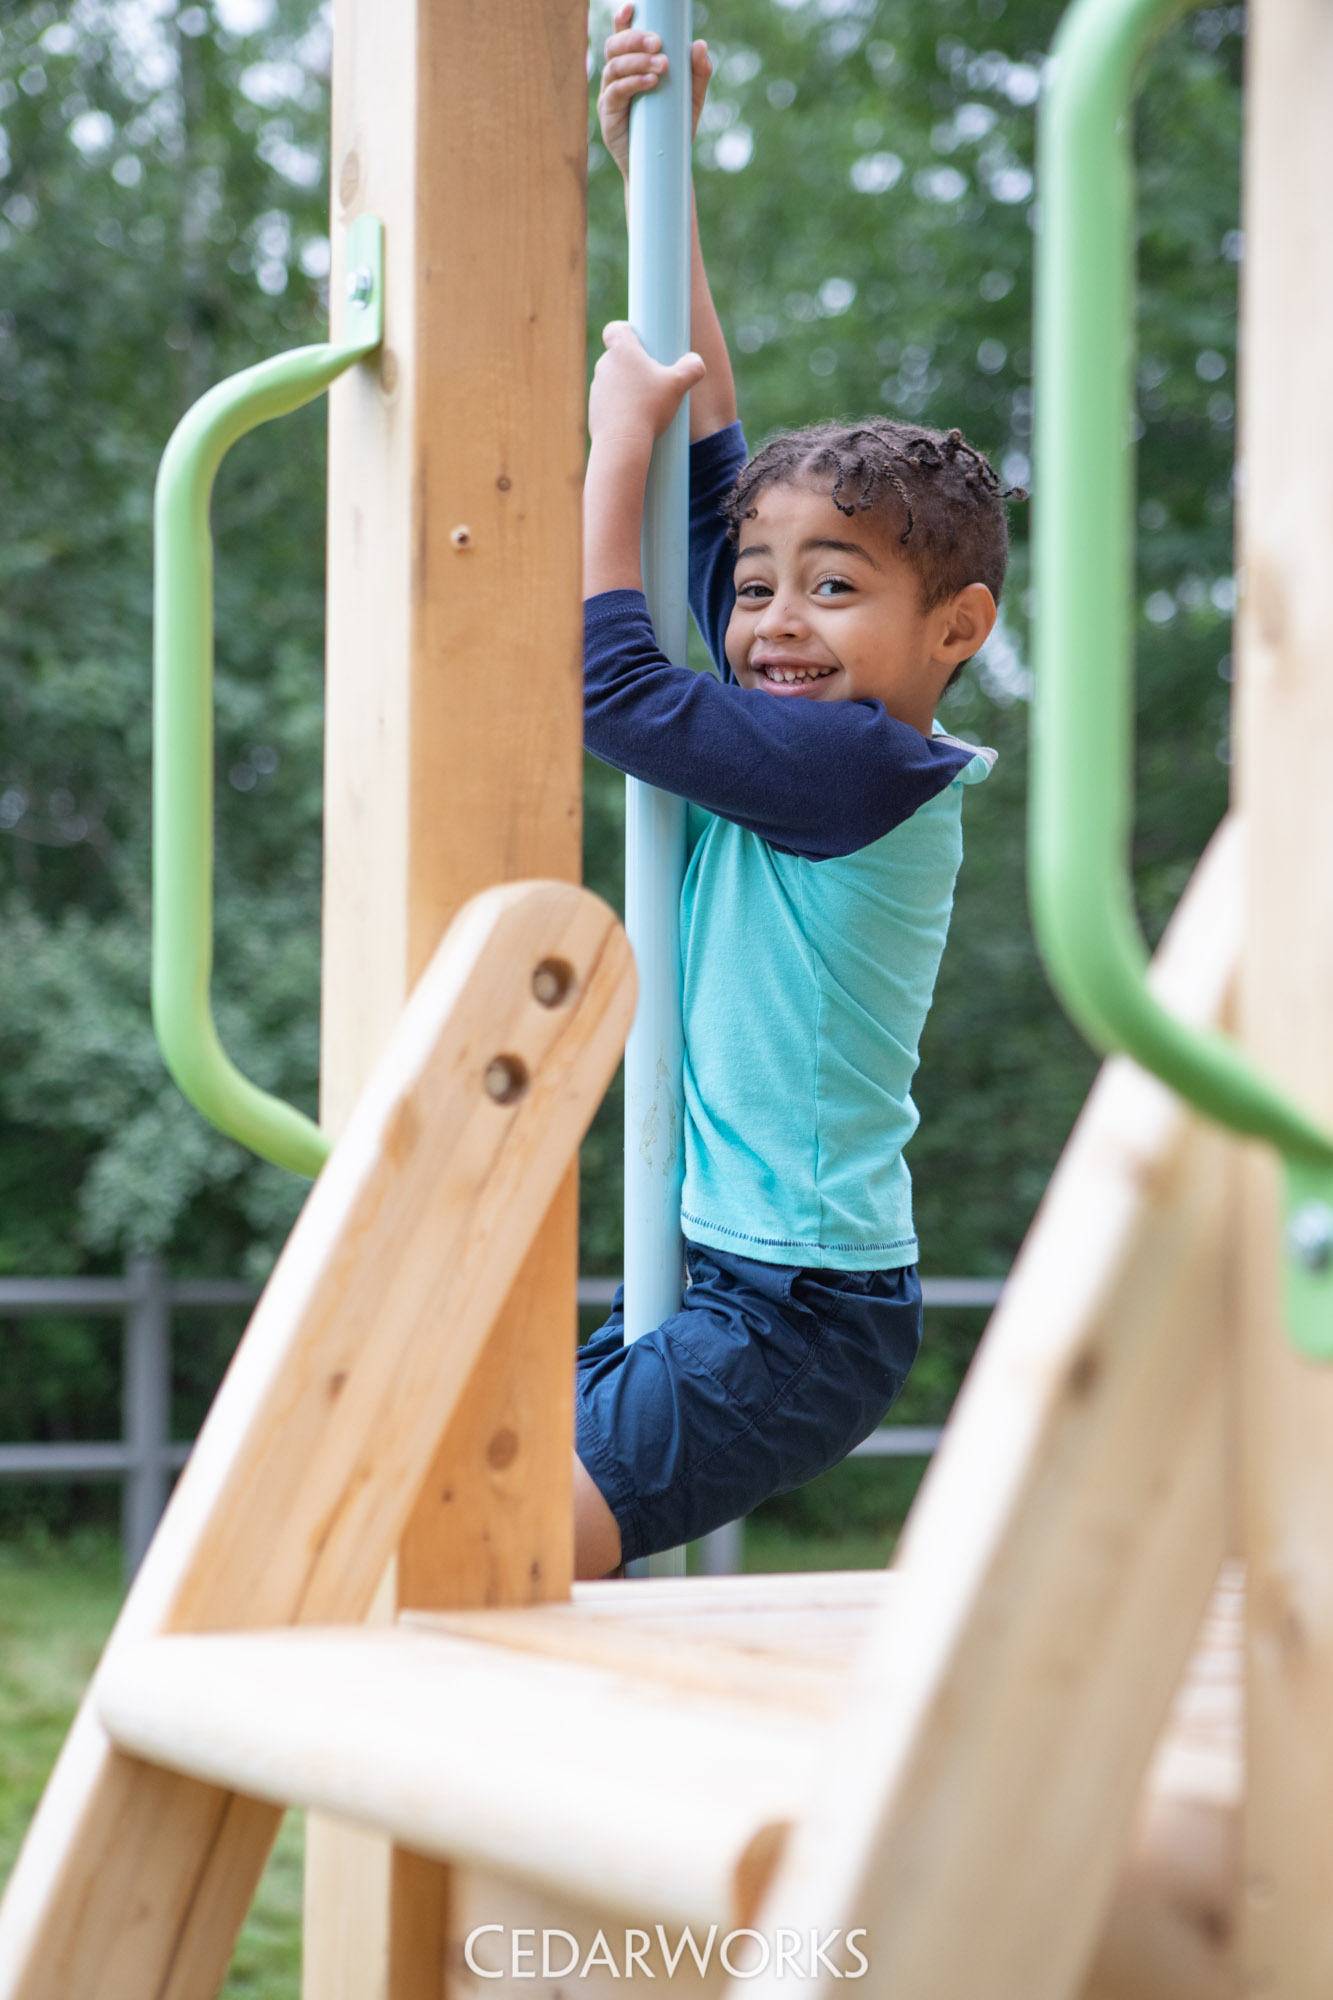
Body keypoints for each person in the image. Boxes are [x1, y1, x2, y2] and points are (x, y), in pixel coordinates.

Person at [573, 7, 1017, 1577]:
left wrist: (604, 456)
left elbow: (610, 687)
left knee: (511, 1535)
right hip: (715, 1272)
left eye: (833, 588)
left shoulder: (859, 765)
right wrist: (659, 179)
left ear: (954, 630)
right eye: (756, 589)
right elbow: (720, 463)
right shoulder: (798, 712)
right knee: (492, 1517)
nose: (770, 620)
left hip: (794, 1313)